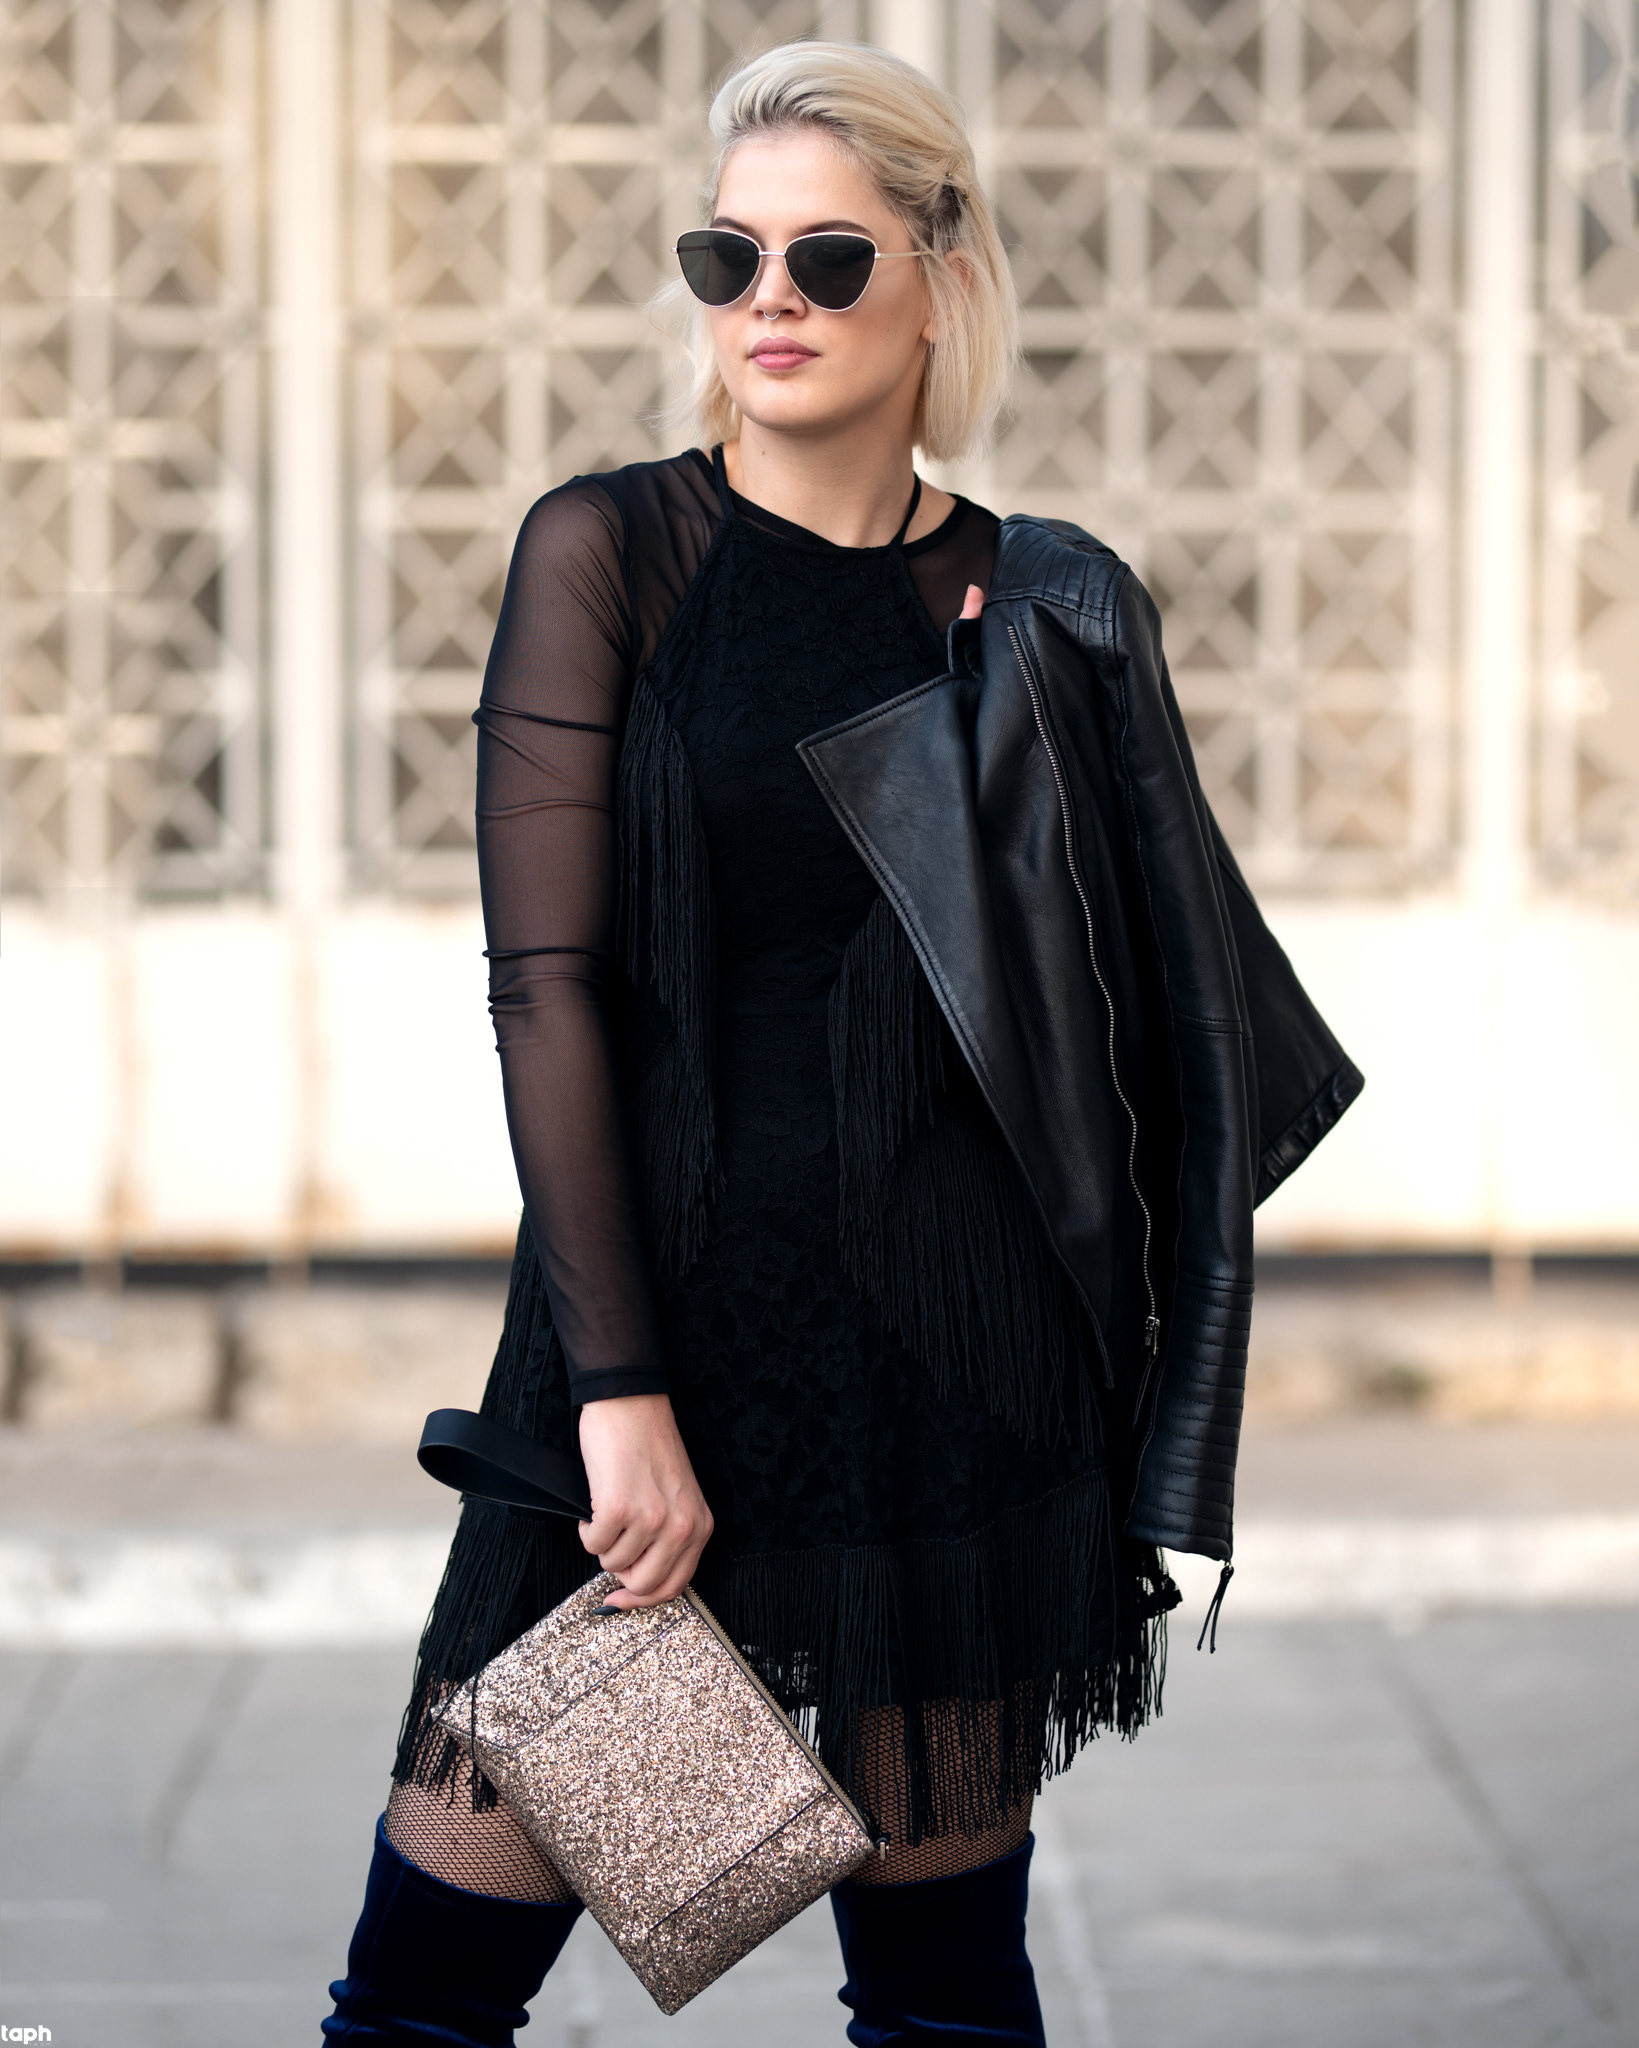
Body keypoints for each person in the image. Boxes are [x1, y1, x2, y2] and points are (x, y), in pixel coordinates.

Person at [323, 39, 1360, 2047]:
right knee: (426, 1995)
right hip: (652, 1374)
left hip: (945, 1375)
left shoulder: (1044, 603)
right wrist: (618, 1390)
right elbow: (547, 987)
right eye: (727, 257)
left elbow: (1159, 1026)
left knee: (943, 2006)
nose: (768, 301)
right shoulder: (614, 553)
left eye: (826, 256)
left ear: (939, 277)